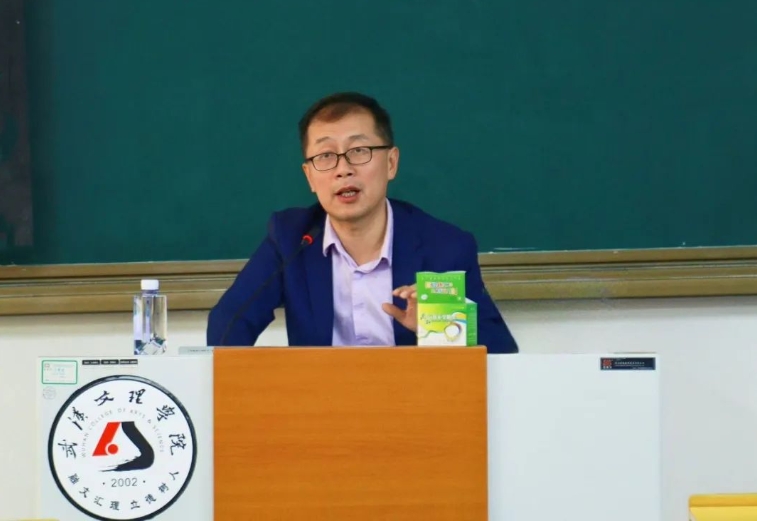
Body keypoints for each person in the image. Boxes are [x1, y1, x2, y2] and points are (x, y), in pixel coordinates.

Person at [206, 92, 518, 353]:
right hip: (320, 403)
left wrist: (440, 325)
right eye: (325, 156)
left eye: (359, 151)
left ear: (391, 163)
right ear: (309, 176)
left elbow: (501, 353)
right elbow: (229, 321)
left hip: (413, 402)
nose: (343, 169)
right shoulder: (292, 239)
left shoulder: (444, 247)